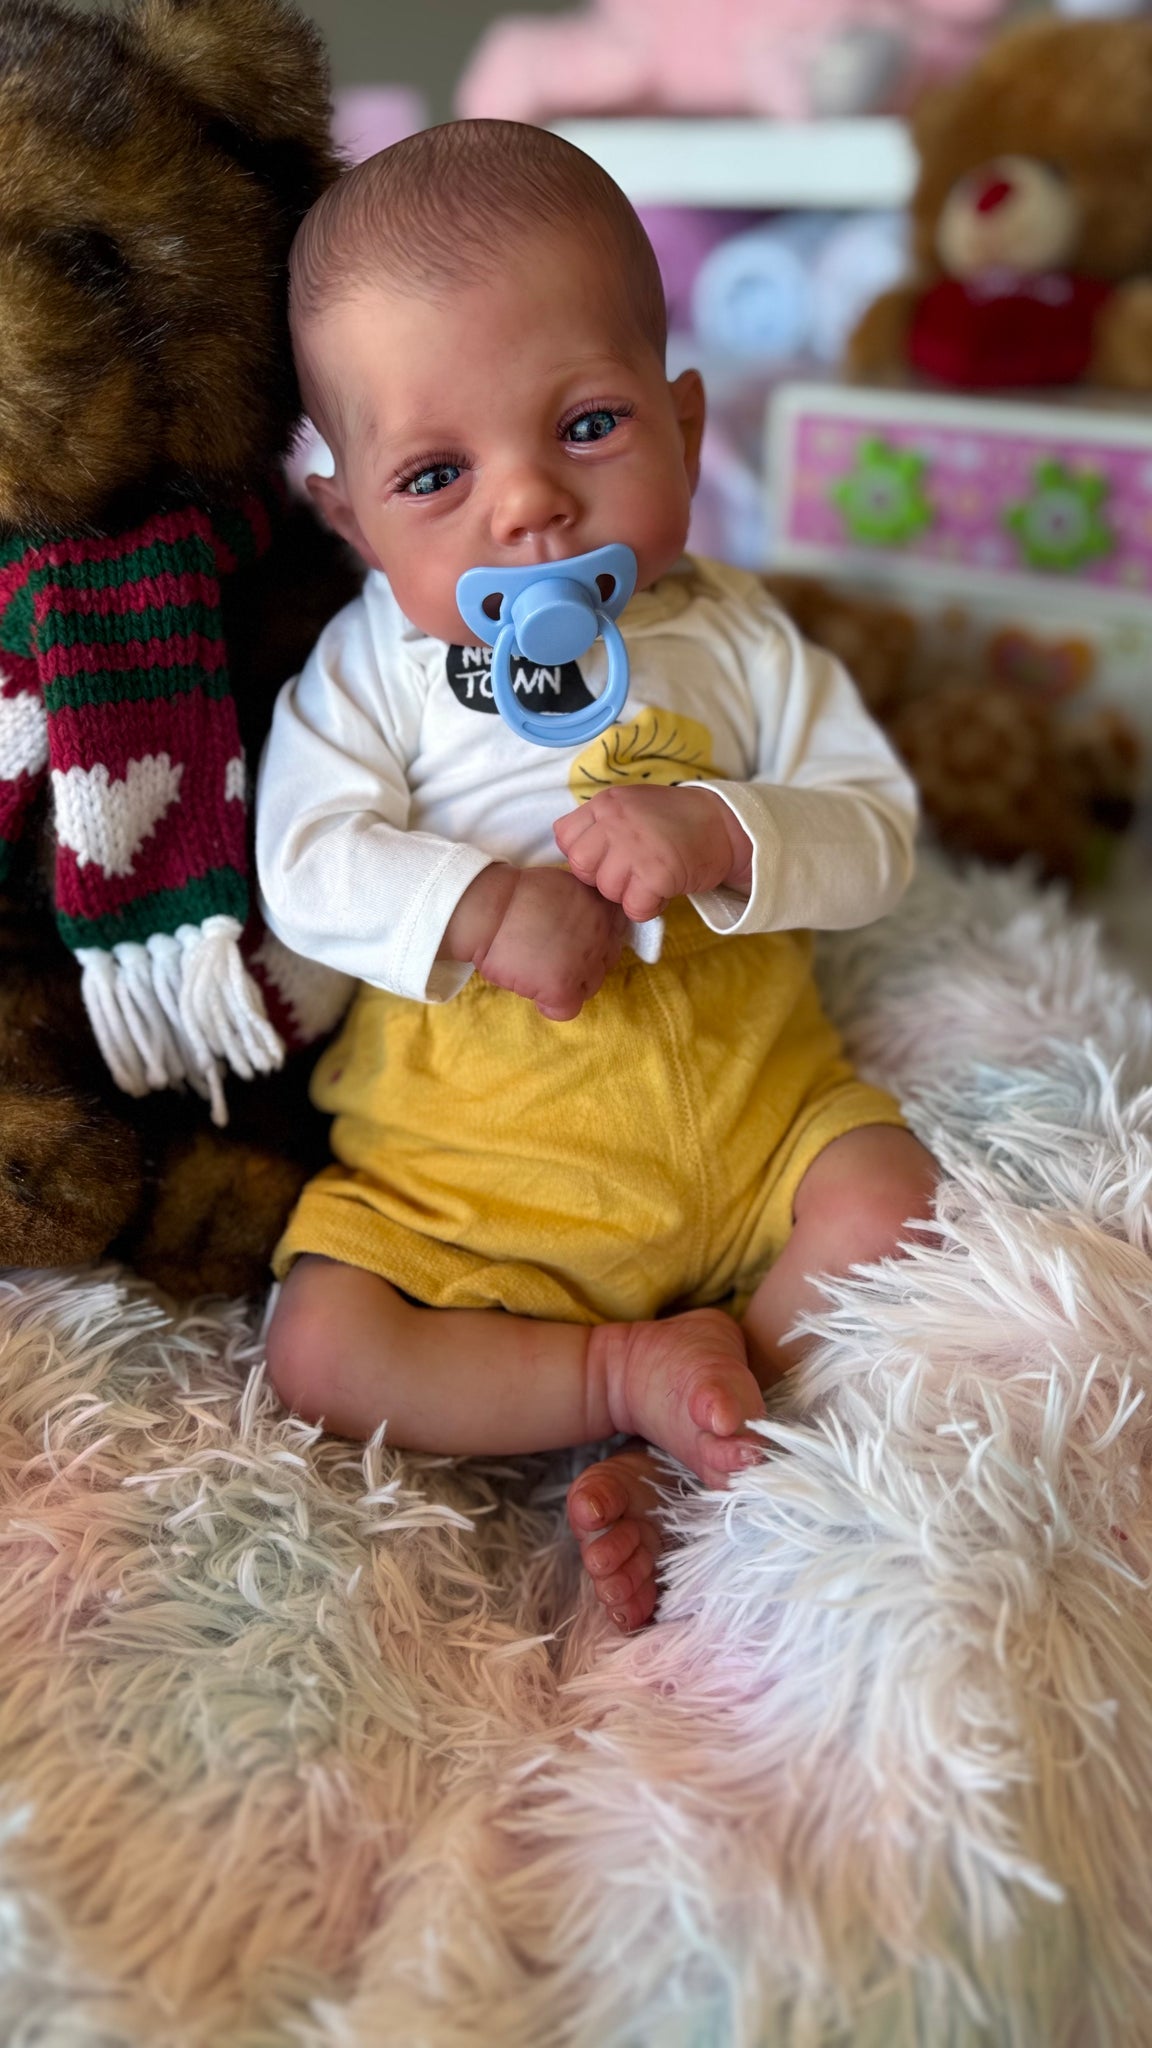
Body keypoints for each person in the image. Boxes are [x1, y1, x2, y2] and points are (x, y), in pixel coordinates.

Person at [255, 119, 938, 1632]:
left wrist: (723, 832)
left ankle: (718, 1413)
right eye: (436, 473)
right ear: (350, 519)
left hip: (755, 1137)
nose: (527, 508)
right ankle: (621, 1378)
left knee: (891, 1197)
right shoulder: (368, 673)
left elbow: (874, 831)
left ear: (684, 425)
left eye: (586, 425)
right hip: (473, 1188)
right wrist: (482, 908)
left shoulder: (740, 638)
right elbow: (302, 866)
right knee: (318, 1348)